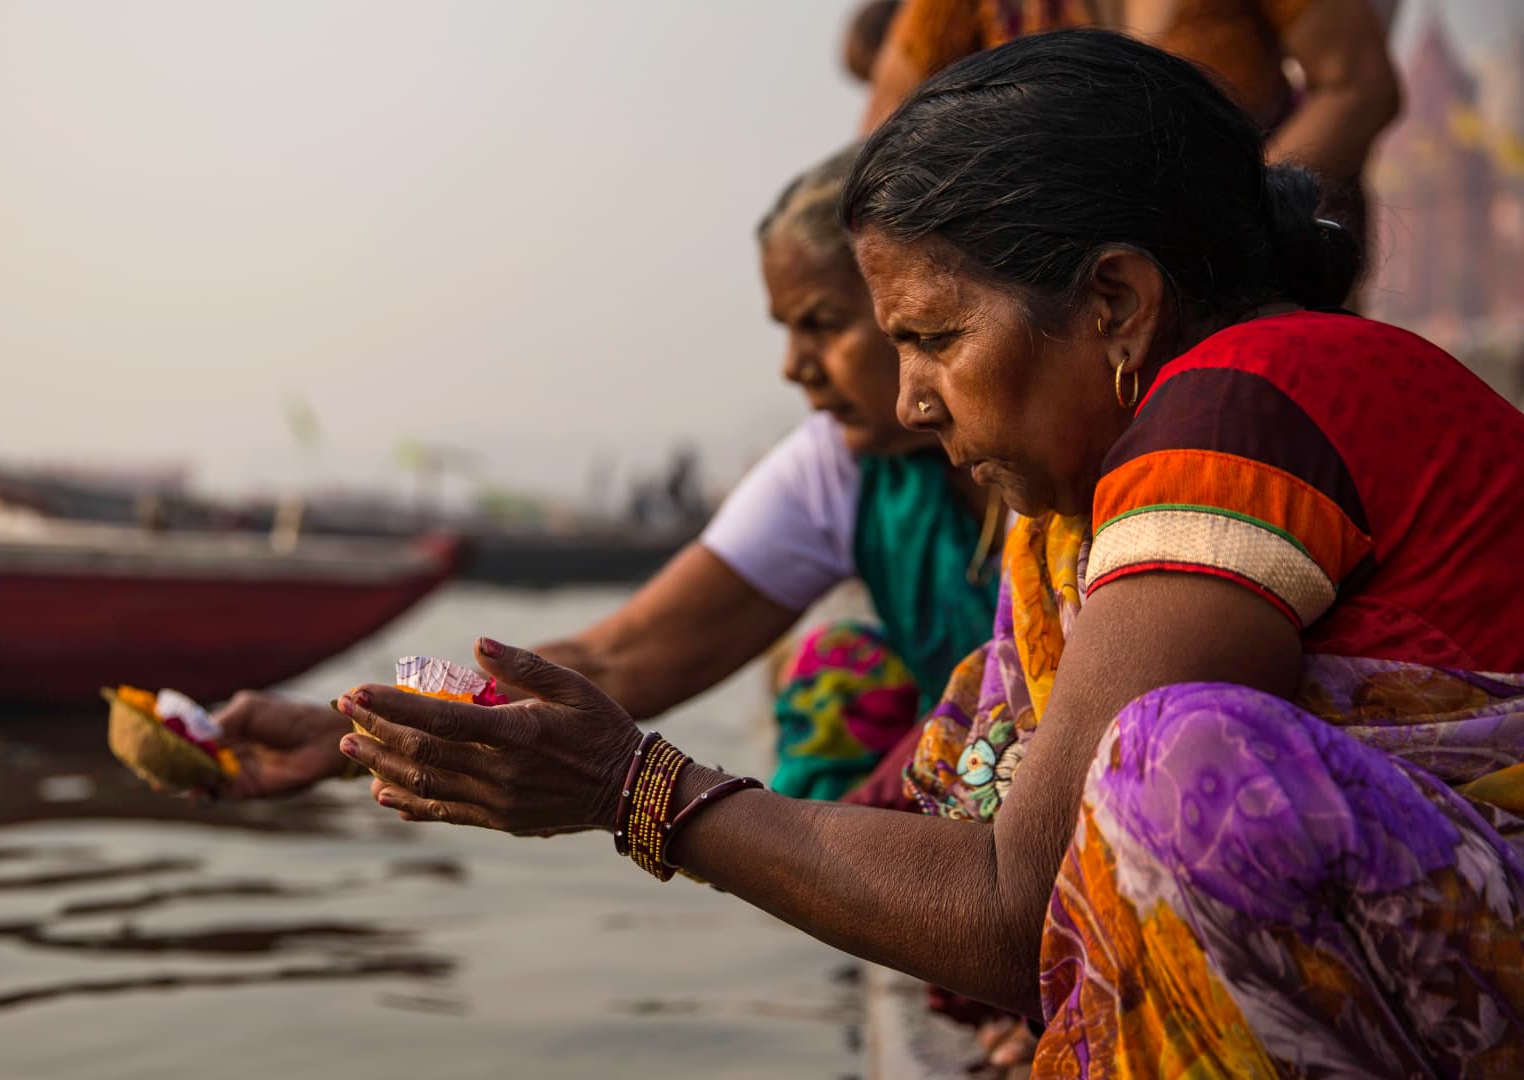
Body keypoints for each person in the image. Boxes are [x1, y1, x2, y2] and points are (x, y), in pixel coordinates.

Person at [334, 31, 1524, 1076]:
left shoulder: (1243, 402)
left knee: (1176, 765)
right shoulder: (1093, 500)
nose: (909, 401)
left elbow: (1022, 908)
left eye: (937, 339)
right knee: (974, 728)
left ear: (1115, 302)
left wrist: (634, 789)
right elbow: (980, 854)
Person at [205, 146, 999, 807]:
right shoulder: (840, 464)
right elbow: (619, 656)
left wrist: (635, 798)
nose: (795, 367)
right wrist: (347, 730)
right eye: (788, 331)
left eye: (824, 325)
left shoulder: (1045, 464)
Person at [861, 0, 1399, 251]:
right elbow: (888, 137)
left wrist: (1235, 217)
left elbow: (1358, 87)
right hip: (1057, 299)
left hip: (1246, 279)